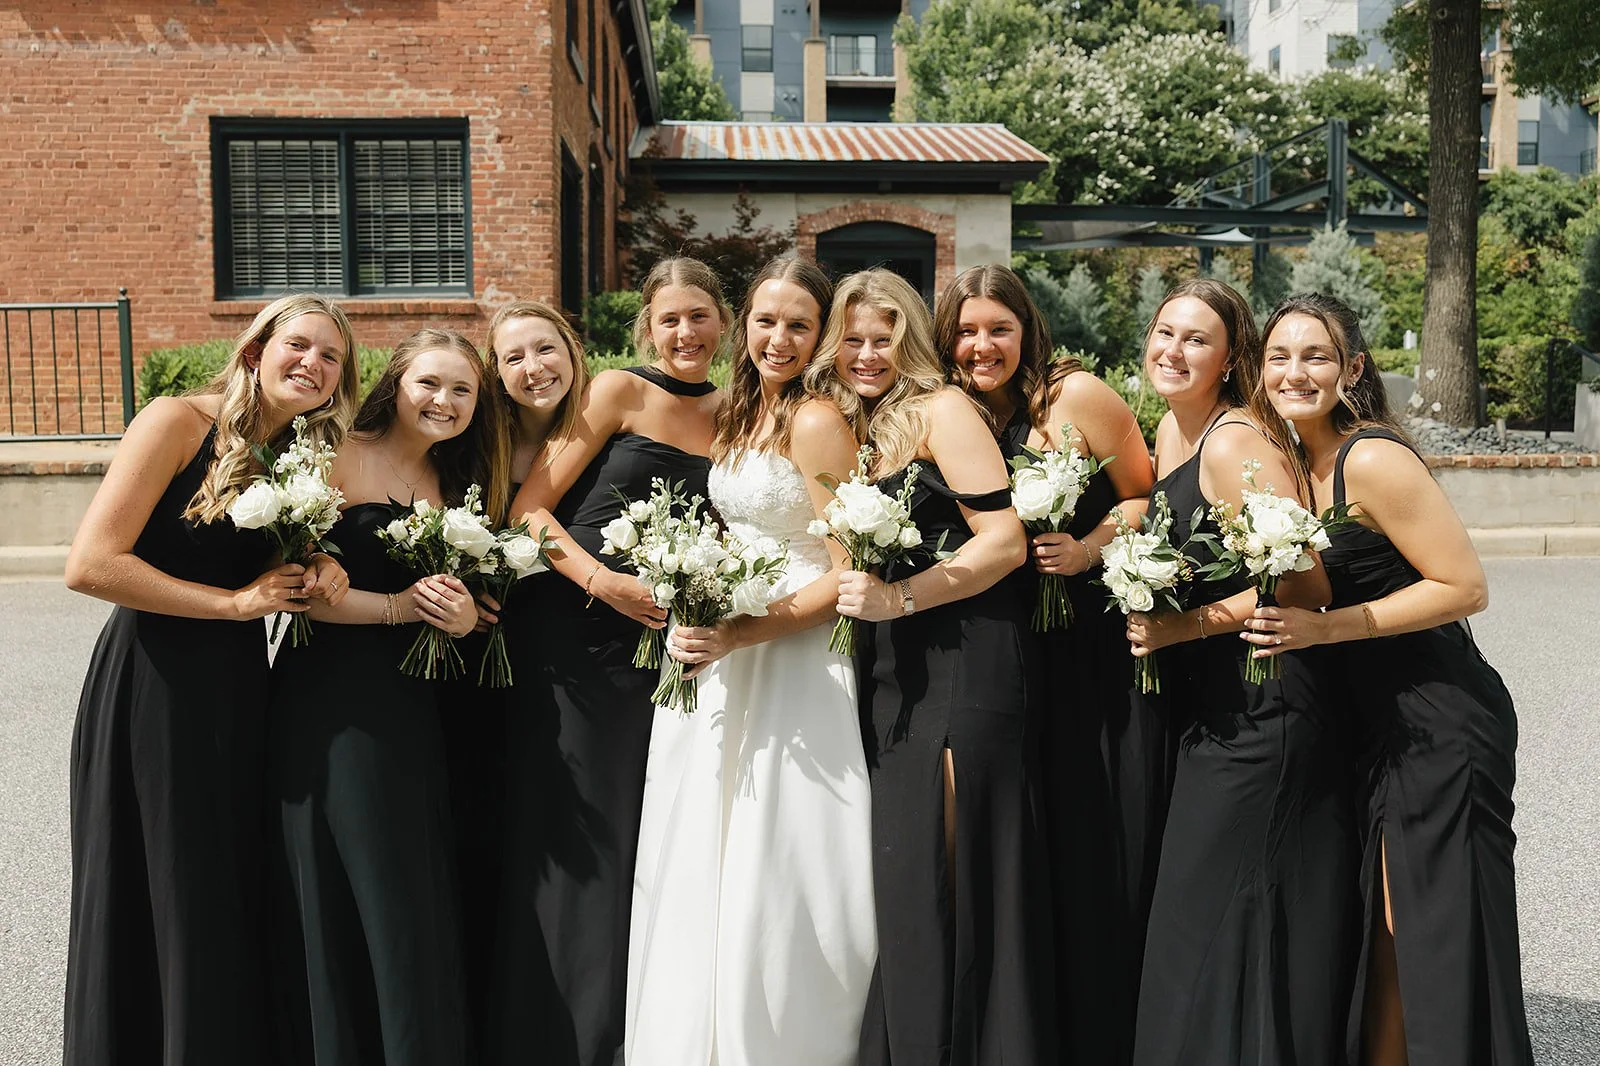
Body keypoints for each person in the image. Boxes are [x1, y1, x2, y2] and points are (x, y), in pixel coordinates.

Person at [62, 293, 358, 1066]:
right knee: (163, 878)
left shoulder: (295, 456)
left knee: (222, 881)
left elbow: (262, 566)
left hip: (238, 687)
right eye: (300, 345)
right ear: (256, 351)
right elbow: (91, 565)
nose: (314, 365)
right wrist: (233, 605)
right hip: (153, 682)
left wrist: (318, 563)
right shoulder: (176, 420)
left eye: (331, 358)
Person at [1244, 292, 1533, 1066]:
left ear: (1354, 369)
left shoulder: (1370, 456)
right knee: (1383, 936)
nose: (1294, 371)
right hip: (1369, 725)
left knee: (1430, 933)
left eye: (1316, 356)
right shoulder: (1291, 463)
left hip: (1437, 719)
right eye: (1279, 355)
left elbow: (1465, 586)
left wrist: (1327, 628)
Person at [625, 257, 876, 1066]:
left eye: (799, 325)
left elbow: (844, 570)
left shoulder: (815, 420)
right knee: (702, 838)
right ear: (746, 325)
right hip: (720, 642)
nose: (779, 338)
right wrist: (696, 598)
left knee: (781, 849)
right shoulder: (739, 413)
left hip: (791, 656)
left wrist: (743, 630)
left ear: (821, 336)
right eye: (766, 320)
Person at [807, 267, 1054, 1065]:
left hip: (967, 658)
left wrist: (900, 600)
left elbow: (1006, 542)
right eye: (852, 339)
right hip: (894, 669)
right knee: (910, 878)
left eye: (884, 338)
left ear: (911, 338)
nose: (868, 354)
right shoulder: (857, 426)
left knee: (954, 870)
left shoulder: (944, 412)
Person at [488, 258, 730, 1066]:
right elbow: (530, 511)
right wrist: (604, 582)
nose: (685, 333)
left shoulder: (741, 413)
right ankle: (554, 1039)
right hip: (575, 633)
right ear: (646, 330)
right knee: (574, 834)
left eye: (699, 316)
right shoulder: (617, 393)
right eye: (669, 320)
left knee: (639, 836)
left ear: (723, 323)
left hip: (662, 650)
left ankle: (624, 1030)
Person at [1124, 279, 1358, 1066]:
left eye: (1196, 340)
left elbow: (1303, 584)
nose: (1174, 351)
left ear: (1230, 361)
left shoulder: (1233, 443)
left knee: (1213, 908)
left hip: (1268, 702)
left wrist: (1178, 625)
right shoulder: (1169, 432)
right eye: (1165, 333)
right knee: (1212, 911)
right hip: (1209, 707)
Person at [935, 263, 1156, 1065]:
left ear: (1027, 329)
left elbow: (1144, 492)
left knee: (1085, 826)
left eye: (999, 328)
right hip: (1000, 651)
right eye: (965, 330)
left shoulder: (1076, 397)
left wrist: (1090, 548)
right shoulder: (949, 409)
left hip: (1081, 644)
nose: (981, 345)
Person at [268, 327, 506, 1066]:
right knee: (363, 887)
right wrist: (402, 608)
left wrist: (464, 618)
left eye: (462, 390)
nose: (445, 400)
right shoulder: (333, 455)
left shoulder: (459, 483)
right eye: (430, 383)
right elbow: (304, 593)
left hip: (423, 707)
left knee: (416, 887)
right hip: (338, 701)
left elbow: (472, 607)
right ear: (395, 383)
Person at [442, 300, 591, 1048]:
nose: (535, 367)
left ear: (571, 348)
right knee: (490, 826)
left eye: (546, 348)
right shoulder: (473, 450)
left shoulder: (601, 439)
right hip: (482, 663)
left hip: (574, 670)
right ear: (496, 374)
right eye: (514, 357)